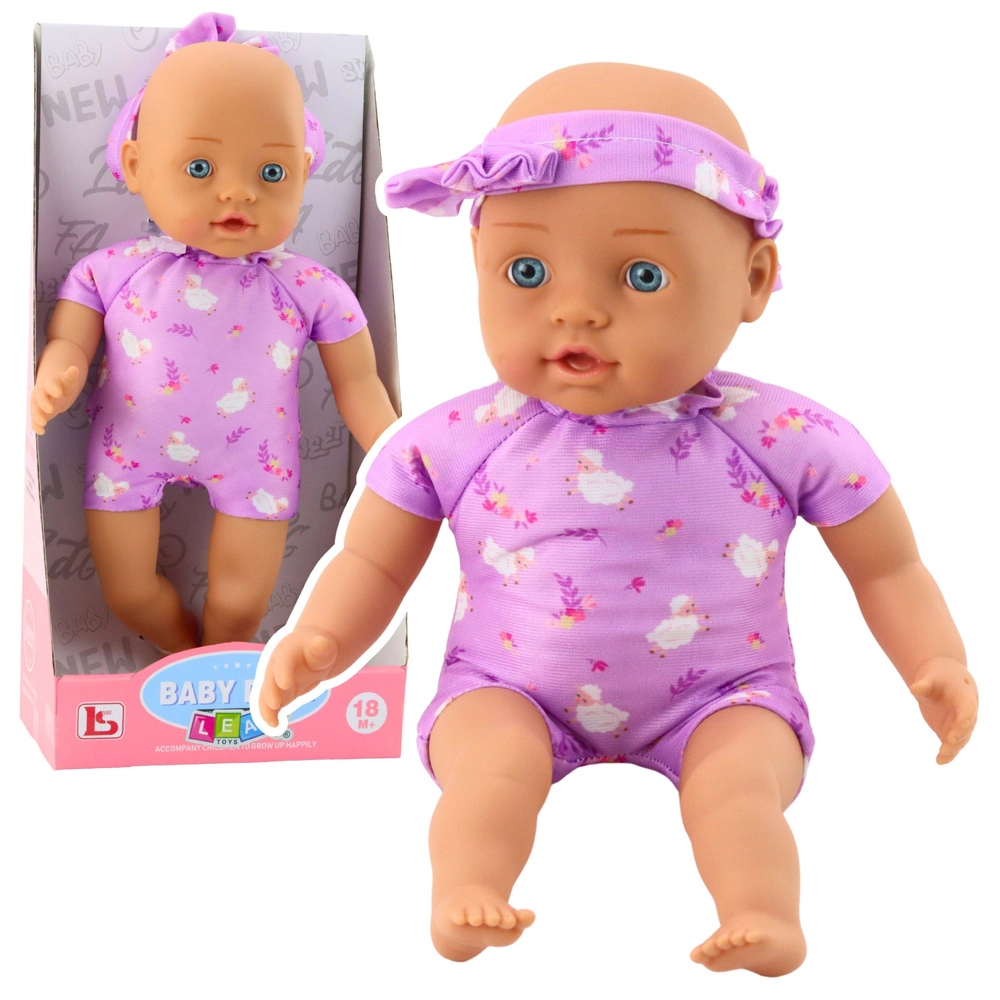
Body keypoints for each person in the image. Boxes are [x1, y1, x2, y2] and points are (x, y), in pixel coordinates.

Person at [254, 63, 976, 975]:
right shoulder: (455, 438)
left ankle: (762, 913)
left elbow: (887, 567)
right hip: (508, 685)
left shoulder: (785, 436)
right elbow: (374, 562)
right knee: (490, 771)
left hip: (727, 696)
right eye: (526, 271)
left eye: (642, 275)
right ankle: (466, 889)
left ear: (753, 280)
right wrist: (323, 638)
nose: (576, 310)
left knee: (739, 787)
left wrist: (934, 659)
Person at [30, 15, 397, 652]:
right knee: (128, 593)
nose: (237, 192)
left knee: (239, 605)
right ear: (135, 165)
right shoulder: (110, 271)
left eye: (271, 174)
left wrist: (395, 448)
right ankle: (185, 660)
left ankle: (220, 669)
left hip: (256, 460)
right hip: (127, 449)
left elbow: (359, 380)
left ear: (304, 170)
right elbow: (69, 340)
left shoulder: (309, 286)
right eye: (200, 167)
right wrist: (57, 377)